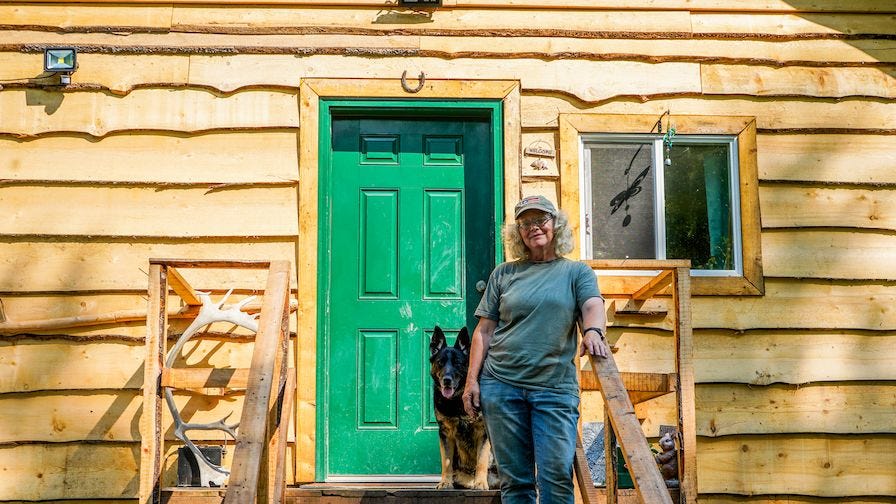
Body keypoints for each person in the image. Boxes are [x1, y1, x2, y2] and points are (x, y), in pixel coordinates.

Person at [462, 195, 609, 504]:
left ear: (555, 224)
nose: (534, 228)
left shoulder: (576, 273)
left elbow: (593, 304)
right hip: (501, 387)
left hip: (553, 388)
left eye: (540, 220)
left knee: (555, 475)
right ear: (518, 233)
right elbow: (484, 331)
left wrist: (593, 331)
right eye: (525, 223)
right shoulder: (504, 274)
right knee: (515, 481)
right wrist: (471, 382)